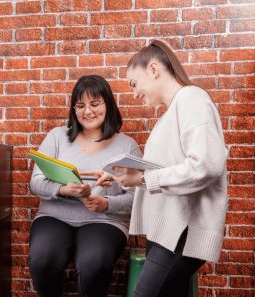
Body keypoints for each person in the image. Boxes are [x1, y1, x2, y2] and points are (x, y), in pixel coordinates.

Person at [95, 40, 228, 297]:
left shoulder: (192, 99)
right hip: (169, 229)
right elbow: (165, 169)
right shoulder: (172, 112)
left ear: (154, 69)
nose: (134, 94)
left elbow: (206, 166)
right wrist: (123, 176)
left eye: (134, 83)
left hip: (180, 231)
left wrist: (145, 177)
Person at [28, 75, 141, 297]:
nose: (87, 112)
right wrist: (62, 190)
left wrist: (105, 203)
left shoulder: (127, 146)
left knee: (93, 263)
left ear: (108, 104)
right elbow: (36, 183)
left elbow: (137, 198)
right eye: (80, 106)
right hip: (55, 217)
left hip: (104, 220)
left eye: (95, 104)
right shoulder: (57, 137)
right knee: (42, 258)